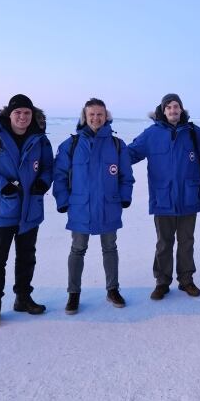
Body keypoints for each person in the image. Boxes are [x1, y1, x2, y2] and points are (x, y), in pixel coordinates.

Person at [0, 94, 54, 328]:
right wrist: (2, 186)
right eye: (18, 112)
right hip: (1, 210)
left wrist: (43, 182)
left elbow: (48, 167)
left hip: (30, 209)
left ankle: (23, 298)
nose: (22, 117)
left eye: (27, 113)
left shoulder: (40, 139)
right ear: (9, 114)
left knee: (27, 257)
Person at [52, 98, 134, 314]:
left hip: (109, 206)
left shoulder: (117, 145)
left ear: (106, 116)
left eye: (100, 114)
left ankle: (112, 289)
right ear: (85, 117)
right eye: (92, 115)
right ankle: (73, 294)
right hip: (80, 207)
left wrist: (125, 197)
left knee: (110, 248)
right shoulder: (71, 145)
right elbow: (59, 176)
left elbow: (126, 176)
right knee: (77, 249)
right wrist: (63, 201)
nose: (96, 118)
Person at [128, 94, 200, 300]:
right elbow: (129, 154)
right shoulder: (151, 134)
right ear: (163, 111)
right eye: (169, 107)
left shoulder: (193, 133)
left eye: (176, 107)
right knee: (164, 242)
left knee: (186, 241)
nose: (173, 110)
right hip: (162, 198)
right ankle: (162, 282)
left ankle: (186, 280)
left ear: (181, 110)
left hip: (189, 197)